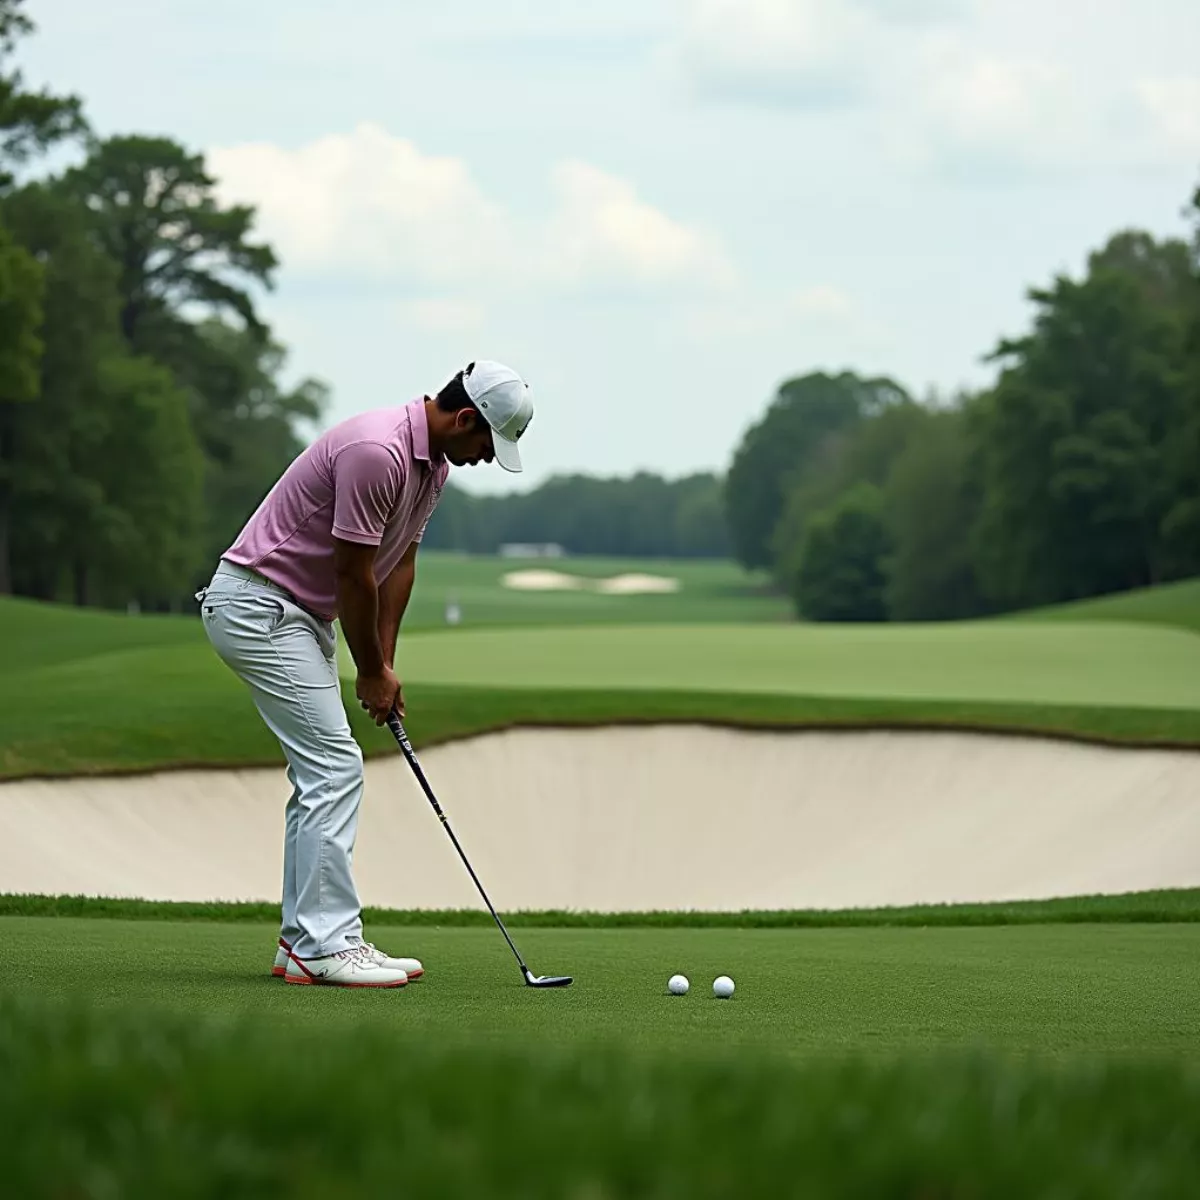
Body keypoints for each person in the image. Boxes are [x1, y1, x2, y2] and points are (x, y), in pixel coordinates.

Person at [195, 361, 534, 988]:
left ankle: (307, 942)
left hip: (295, 614)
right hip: (258, 605)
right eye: (487, 444)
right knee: (335, 764)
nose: (487, 458)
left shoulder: (432, 468)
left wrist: (384, 663)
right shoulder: (377, 451)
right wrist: (369, 672)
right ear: (464, 419)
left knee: (319, 771)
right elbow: (353, 574)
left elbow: (397, 564)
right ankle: (325, 945)